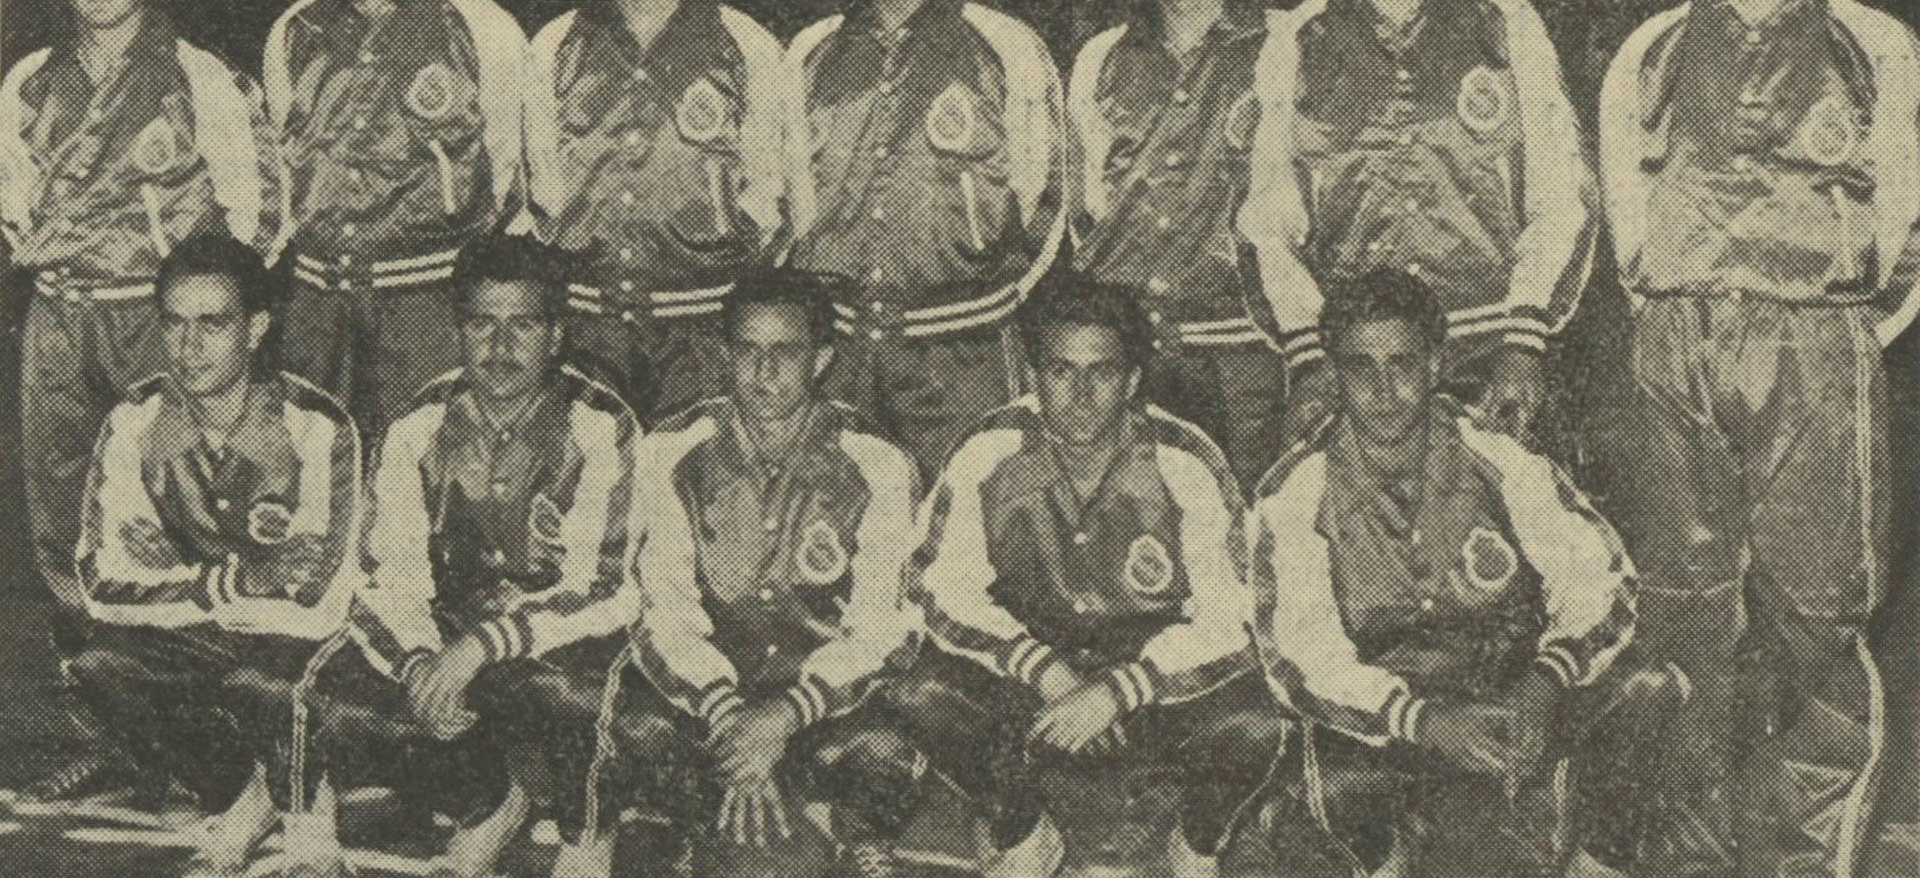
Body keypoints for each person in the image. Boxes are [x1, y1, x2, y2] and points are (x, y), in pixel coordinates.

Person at [1597, 0, 1919, 878]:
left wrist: (1845, 339)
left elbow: (1910, 224)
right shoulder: (1649, 49)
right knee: (1687, 603)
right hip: (1680, 342)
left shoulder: (1874, 43)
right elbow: (1626, 226)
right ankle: (1691, 849)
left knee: (1817, 607)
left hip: (1816, 343)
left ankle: (1803, 855)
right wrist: (1678, 322)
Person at [0, 0, 284, 801]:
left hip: (156, 324)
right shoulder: (29, 83)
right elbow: (14, 201)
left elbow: (261, 207)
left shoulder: (197, 77)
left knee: (175, 505)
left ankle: (208, 729)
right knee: (65, 513)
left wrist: (209, 308)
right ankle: (109, 728)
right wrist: (42, 246)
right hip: (61, 317)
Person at [1247, 267, 1666, 878]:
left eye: (1403, 364)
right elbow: (1302, 656)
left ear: (1436, 365)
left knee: (1647, 688)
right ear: (1334, 377)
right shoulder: (1295, 490)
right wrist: (1420, 719)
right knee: (1334, 780)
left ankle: (1594, 860)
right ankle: (1385, 850)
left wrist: (1548, 678)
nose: (1384, 390)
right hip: (1396, 717)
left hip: (1509, 692)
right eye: (1361, 368)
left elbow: (1599, 579)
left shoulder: (1495, 454)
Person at [902, 272, 1286, 878]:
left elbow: (1234, 612)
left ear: (1132, 380)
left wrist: (1119, 688)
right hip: (1034, 680)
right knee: (919, 689)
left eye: (1101, 372)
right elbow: (937, 586)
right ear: (1036, 375)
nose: (1080, 394)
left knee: (1258, 719)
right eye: (1061, 371)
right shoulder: (990, 449)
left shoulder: (1181, 458)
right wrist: (1047, 672)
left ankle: (1196, 843)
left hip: (1147, 682)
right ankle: (1022, 831)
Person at [288, 233, 643, 878]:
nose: (500, 347)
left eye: (523, 326)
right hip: (449, 637)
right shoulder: (418, 424)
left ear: (556, 335)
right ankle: (486, 805)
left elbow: (606, 589)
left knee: (584, 694)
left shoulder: (599, 425)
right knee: (329, 688)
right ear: (457, 330)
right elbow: (385, 577)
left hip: (554, 643)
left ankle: (587, 837)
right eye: (482, 324)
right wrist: (423, 658)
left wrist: (482, 645)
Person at [558, 267, 923, 878]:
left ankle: (852, 829)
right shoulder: (671, 449)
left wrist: (784, 715)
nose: (765, 373)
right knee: (635, 723)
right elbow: (665, 614)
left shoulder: (876, 460)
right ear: (726, 357)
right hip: (712, 706)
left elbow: (882, 629)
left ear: (823, 358)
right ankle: (707, 819)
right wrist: (732, 717)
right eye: (749, 352)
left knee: (887, 749)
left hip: (821, 706)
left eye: (786, 353)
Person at [1236, 0, 1592, 449]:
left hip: (1487, 352)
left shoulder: (1504, 21)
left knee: (1509, 535)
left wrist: (1525, 334)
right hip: (1360, 366)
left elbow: (1563, 196)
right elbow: (1265, 219)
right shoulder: (1300, 37)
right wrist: (1309, 354)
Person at [67, 233, 362, 878]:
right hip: (213, 625)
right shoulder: (135, 420)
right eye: (173, 324)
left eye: (213, 324)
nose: (188, 347)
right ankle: (241, 799)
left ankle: (310, 821)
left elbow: (319, 600)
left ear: (255, 328)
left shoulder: (315, 425)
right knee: (100, 664)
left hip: (308, 648)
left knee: (273, 676)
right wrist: (231, 584)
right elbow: (100, 581)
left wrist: (172, 577)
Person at [785, 0, 1067, 475]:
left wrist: (981, 305)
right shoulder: (810, 54)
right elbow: (784, 210)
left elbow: (1050, 208)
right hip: (841, 356)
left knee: (964, 543)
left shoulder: (1004, 46)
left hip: (961, 357)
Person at [525, 0, 801, 424]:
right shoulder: (554, 47)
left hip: (701, 337)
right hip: (585, 336)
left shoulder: (746, 47)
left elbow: (776, 210)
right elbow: (535, 203)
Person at [262, 0, 529, 441]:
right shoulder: (295, 31)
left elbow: (513, 175)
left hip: (426, 299)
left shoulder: (479, 25)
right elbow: (284, 174)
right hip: (319, 300)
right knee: (313, 479)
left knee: (429, 471)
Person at [1065, 0, 1287, 488]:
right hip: (1133, 355)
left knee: (1250, 521)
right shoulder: (1102, 58)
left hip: (1245, 354)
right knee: (1139, 522)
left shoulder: (1281, 47)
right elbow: (1087, 217)